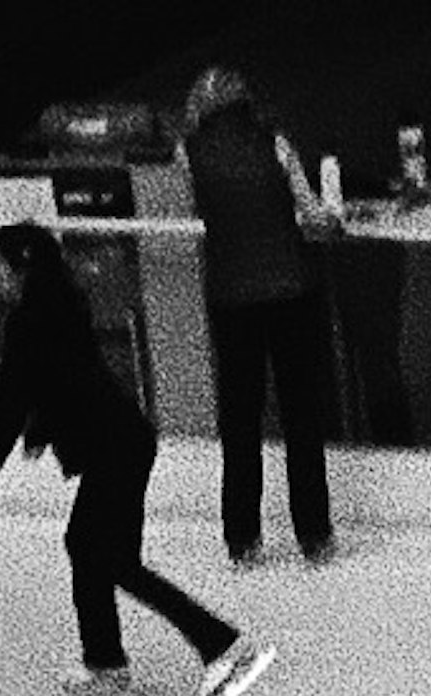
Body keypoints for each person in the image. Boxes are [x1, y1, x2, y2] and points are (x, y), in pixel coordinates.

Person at [0, 223, 275, 696]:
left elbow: (8, 407)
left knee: (112, 559)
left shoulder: (29, 321)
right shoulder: (59, 306)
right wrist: (41, 432)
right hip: (123, 439)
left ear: (19, 268)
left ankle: (221, 646)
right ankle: (105, 661)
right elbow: (62, 379)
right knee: (87, 546)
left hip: (114, 447)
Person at [178, 68, 343, 567]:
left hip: (231, 299)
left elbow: (200, 214)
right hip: (292, 292)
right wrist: (330, 209)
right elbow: (313, 217)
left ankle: (242, 536)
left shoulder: (187, 154)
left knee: (240, 419)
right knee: (301, 416)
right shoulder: (276, 145)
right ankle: (313, 533)